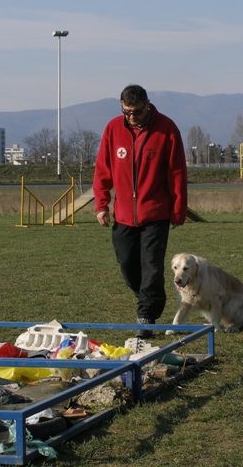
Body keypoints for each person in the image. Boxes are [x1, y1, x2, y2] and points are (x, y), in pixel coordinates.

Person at [93, 84, 188, 337]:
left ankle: (146, 316)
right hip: (123, 214)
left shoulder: (167, 129)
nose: (131, 117)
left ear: (147, 105)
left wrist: (179, 207)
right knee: (127, 265)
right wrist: (101, 204)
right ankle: (149, 297)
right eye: (127, 112)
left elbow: (177, 172)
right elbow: (103, 170)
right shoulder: (113, 129)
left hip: (156, 213)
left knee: (152, 266)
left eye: (136, 112)